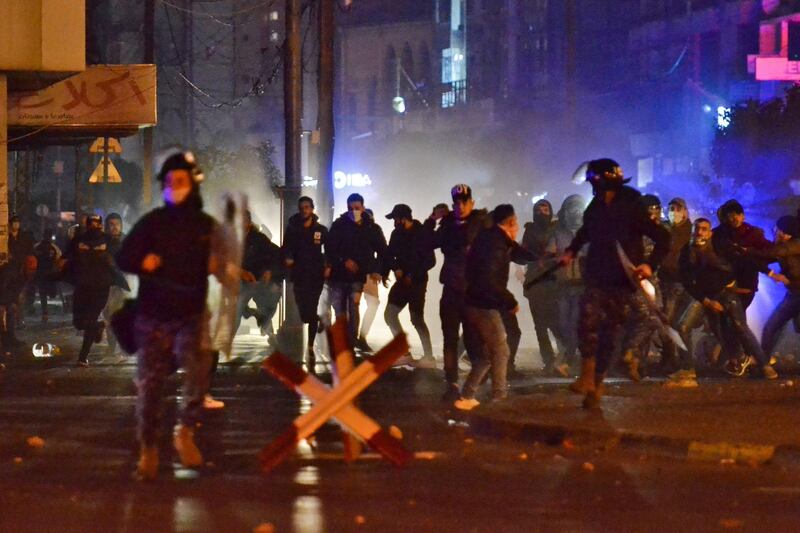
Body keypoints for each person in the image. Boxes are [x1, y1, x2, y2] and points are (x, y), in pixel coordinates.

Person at [115, 152, 221, 481]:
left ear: (192, 184)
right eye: (169, 182)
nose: (174, 187)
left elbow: (224, 258)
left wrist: (221, 266)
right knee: (150, 385)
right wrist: (141, 261)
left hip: (191, 314)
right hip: (153, 315)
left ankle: (185, 432)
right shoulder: (152, 223)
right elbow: (123, 256)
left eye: (181, 181)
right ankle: (149, 449)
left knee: (199, 373)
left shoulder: (206, 226)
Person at [562, 159, 670, 409]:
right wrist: (571, 250)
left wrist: (649, 265)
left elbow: (663, 238)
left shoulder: (632, 204)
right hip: (597, 275)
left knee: (609, 332)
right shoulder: (596, 207)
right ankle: (587, 376)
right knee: (587, 320)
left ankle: (597, 385)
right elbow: (585, 231)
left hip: (622, 279)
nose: (592, 188)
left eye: (594, 183)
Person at [454, 204, 533, 410]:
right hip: (484, 303)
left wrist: (543, 258)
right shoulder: (495, 244)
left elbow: (519, 253)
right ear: (510, 223)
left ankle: (467, 395)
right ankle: (499, 396)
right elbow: (489, 279)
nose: (517, 229)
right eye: (515, 224)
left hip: (475, 301)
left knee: (485, 356)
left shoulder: (493, 239)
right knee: (500, 350)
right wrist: (510, 300)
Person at [678, 218, 777, 380]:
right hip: (703, 295)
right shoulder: (687, 251)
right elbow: (687, 279)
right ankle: (688, 369)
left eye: (704, 229)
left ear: (710, 232)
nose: (700, 232)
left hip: (726, 292)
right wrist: (706, 301)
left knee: (739, 326)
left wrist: (769, 273)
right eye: (697, 229)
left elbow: (744, 259)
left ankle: (763, 365)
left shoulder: (720, 245)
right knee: (686, 327)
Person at [426, 184, 492, 401]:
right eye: (456, 203)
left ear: (472, 203)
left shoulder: (481, 223)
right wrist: (432, 219)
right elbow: (427, 243)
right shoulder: (447, 225)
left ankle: (475, 379)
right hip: (452, 290)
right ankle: (452, 382)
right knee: (450, 339)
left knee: (474, 339)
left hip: (473, 290)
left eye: (464, 202)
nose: (460, 206)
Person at [326, 194, 388, 347]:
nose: (354, 211)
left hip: (358, 276)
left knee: (353, 309)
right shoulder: (340, 225)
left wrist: (377, 270)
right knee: (341, 311)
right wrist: (343, 260)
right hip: (339, 275)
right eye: (350, 208)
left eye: (357, 208)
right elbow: (330, 248)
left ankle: (351, 343)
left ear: (363, 207)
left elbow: (383, 251)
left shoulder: (371, 228)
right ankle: (344, 343)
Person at [740, 215, 800, 363]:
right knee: (774, 327)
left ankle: (763, 362)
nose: (776, 233)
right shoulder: (785, 245)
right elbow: (769, 256)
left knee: (772, 327)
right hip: (794, 293)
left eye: (779, 230)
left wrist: (748, 250)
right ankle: (763, 362)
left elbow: (772, 252)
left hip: (796, 293)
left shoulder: (794, 245)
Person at [383, 203, 436, 368]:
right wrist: (395, 268)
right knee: (390, 314)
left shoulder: (422, 234)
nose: (394, 222)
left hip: (417, 283)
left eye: (395, 219)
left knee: (416, 319)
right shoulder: (396, 234)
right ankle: (404, 353)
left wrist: (411, 274)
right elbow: (390, 255)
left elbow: (430, 261)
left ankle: (429, 357)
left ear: (403, 218)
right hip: (401, 282)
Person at [283, 196, 329, 370]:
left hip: (315, 275)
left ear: (312, 208)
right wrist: (288, 258)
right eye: (302, 207)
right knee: (304, 312)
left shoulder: (321, 230)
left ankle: (310, 345)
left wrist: (328, 265)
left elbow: (329, 248)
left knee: (311, 306)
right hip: (299, 274)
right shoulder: (293, 228)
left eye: (307, 207)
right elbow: (286, 246)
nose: (305, 210)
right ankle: (319, 319)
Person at [545, 194, 587, 376]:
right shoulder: (558, 233)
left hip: (582, 286)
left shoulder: (588, 233)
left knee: (575, 324)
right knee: (562, 324)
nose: (576, 213)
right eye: (573, 209)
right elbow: (548, 254)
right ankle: (566, 357)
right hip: (562, 286)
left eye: (579, 209)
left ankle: (566, 360)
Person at [67, 215, 115, 366]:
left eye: (97, 223)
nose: (94, 225)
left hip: (100, 286)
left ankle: (83, 357)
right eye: (91, 223)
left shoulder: (109, 240)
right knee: (79, 322)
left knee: (91, 319)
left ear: (100, 225)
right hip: (82, 285)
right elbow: (68, 258)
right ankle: (98, 327)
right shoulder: (78, 240)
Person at [521, 199, 561, 374]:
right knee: (540, 325)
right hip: (535, 280)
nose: (542, 212)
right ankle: (548, 359)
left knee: (557, 321)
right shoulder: (530, 230)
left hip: (555, 280)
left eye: (546, 209)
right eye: (539, 209)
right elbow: (523, 252)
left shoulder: (558, 228)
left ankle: (564, 357)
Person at [659, 198, 694, 379]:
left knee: (672, 323)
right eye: (671, 209)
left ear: (685, 211)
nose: (673, 212)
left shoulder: (689, 231)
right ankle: (670, 360)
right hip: (664, 280)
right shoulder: (666, 229)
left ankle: (677, 362)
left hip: (679, 282)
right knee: (666, 322)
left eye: (677, 209)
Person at [235, 211, 283, 341]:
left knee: (266, 306)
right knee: (237, 310)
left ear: (248, 223)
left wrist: (269, 271)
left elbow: (276, 254)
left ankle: (269, 332)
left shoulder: (259, 239)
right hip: (241, 281)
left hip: (258, 280)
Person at [102, 213, 130, 355]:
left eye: (117, 224)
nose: (114, 227)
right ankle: (112, 344)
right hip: (105, 284)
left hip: (121, 285)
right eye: (111, 224)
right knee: (107, 315)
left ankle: (120, 345)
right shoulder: (102, 241)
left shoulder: (126, 241)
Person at [33, 229, 62, 323]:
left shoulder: (53, 248)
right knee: (43, 294)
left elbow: (59, 258)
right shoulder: (38, 247)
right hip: (42, 273)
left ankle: (45, 313)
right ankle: (44, 313)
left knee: (50, 293)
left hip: (49, 274)